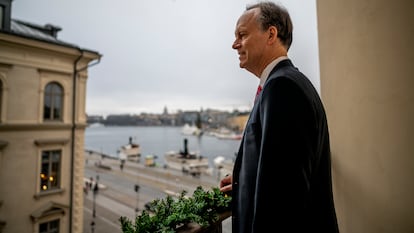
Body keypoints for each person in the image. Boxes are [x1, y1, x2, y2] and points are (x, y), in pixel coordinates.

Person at [219, 2, 339, 232]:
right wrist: (243, 183)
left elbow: (283, 197)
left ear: (271, 34)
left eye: (242, 35)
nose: (234, 44)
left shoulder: (282, 88)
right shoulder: (289, 83)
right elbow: (281, 172)